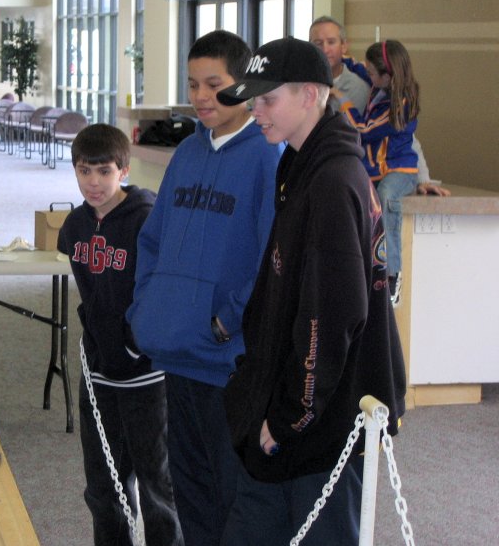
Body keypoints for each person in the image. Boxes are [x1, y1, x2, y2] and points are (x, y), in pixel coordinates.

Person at [219, 37, 406, 545]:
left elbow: (331, 317)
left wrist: (288, 418)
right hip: (289, 402)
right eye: (253, 100)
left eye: (267, 99)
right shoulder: (301, 165)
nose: (255, 112)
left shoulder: (331, 182)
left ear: (310, 95)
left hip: (322, 422)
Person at [126, 30, 282, 546]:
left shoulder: (267, 156)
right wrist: (145, 309)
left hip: (226, 361)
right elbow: (153, 239)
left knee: (231, 494)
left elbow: (270, 257)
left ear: (245, 86)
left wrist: (226, 321)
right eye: (192, 84)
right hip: (176, 353)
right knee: (189, 489)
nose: (200, 96)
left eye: (214, 85)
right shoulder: (188, 152)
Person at [57, 123, 183, 546]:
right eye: (84, 171)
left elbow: (163, 292)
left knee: (157, 486)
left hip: (146, 376)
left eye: (104, 171)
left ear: (124, 170)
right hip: (98, 375)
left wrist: (134, 343)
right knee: (103, 487)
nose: (93, 182)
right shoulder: (75, 226)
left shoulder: (146, 220)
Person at [309, 17, 449, 198]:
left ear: (344, 46)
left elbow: (405, 136)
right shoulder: (299, 84)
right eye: (317, 43)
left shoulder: (364, 87)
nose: (324, 49)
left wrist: (423, 179)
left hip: (351, 173)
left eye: (331, 42)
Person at [337, 39, 420, 303]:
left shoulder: (401, 105)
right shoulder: (380, 85)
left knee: (386, 198)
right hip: (378, 171)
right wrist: (343, 59)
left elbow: (364, 130)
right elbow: (361, 69)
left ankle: (393, 274)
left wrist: (343, 101)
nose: (368, 77)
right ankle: (366, 271)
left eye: (373, 73)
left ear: (388, 75)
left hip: (400, 170)